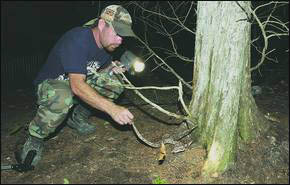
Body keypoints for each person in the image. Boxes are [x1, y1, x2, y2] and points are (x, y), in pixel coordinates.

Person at [20, 5, 137, 166]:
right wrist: (112, 109)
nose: (120, 40)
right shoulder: (78, 38)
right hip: (51, 86)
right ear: (102, 24)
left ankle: (78, 117)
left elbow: (96, 71)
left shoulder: (106, 48)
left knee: (115, 80)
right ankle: (35, 137)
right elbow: (76, 86)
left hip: (75, 85)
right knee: (63, 95)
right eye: (117, 34)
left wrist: (111, 69)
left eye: (123, 36)